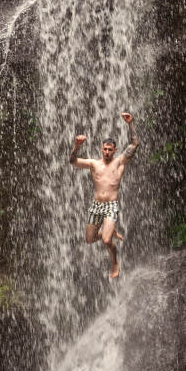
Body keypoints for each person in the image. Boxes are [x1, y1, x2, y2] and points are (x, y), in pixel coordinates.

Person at [70, 111, 138, 279]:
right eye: (105, 149)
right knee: (90, 239)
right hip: (96, 205)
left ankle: (114, 262)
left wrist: (130, 123)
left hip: (111, 205)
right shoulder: (94, 164)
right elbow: (73, 161)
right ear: (101, 149)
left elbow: (135, 143)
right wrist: (77, 146)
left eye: (110, 150)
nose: (107, 152)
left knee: (106, 241)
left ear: (115, 150)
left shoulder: (120, 162)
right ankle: (110, 230)